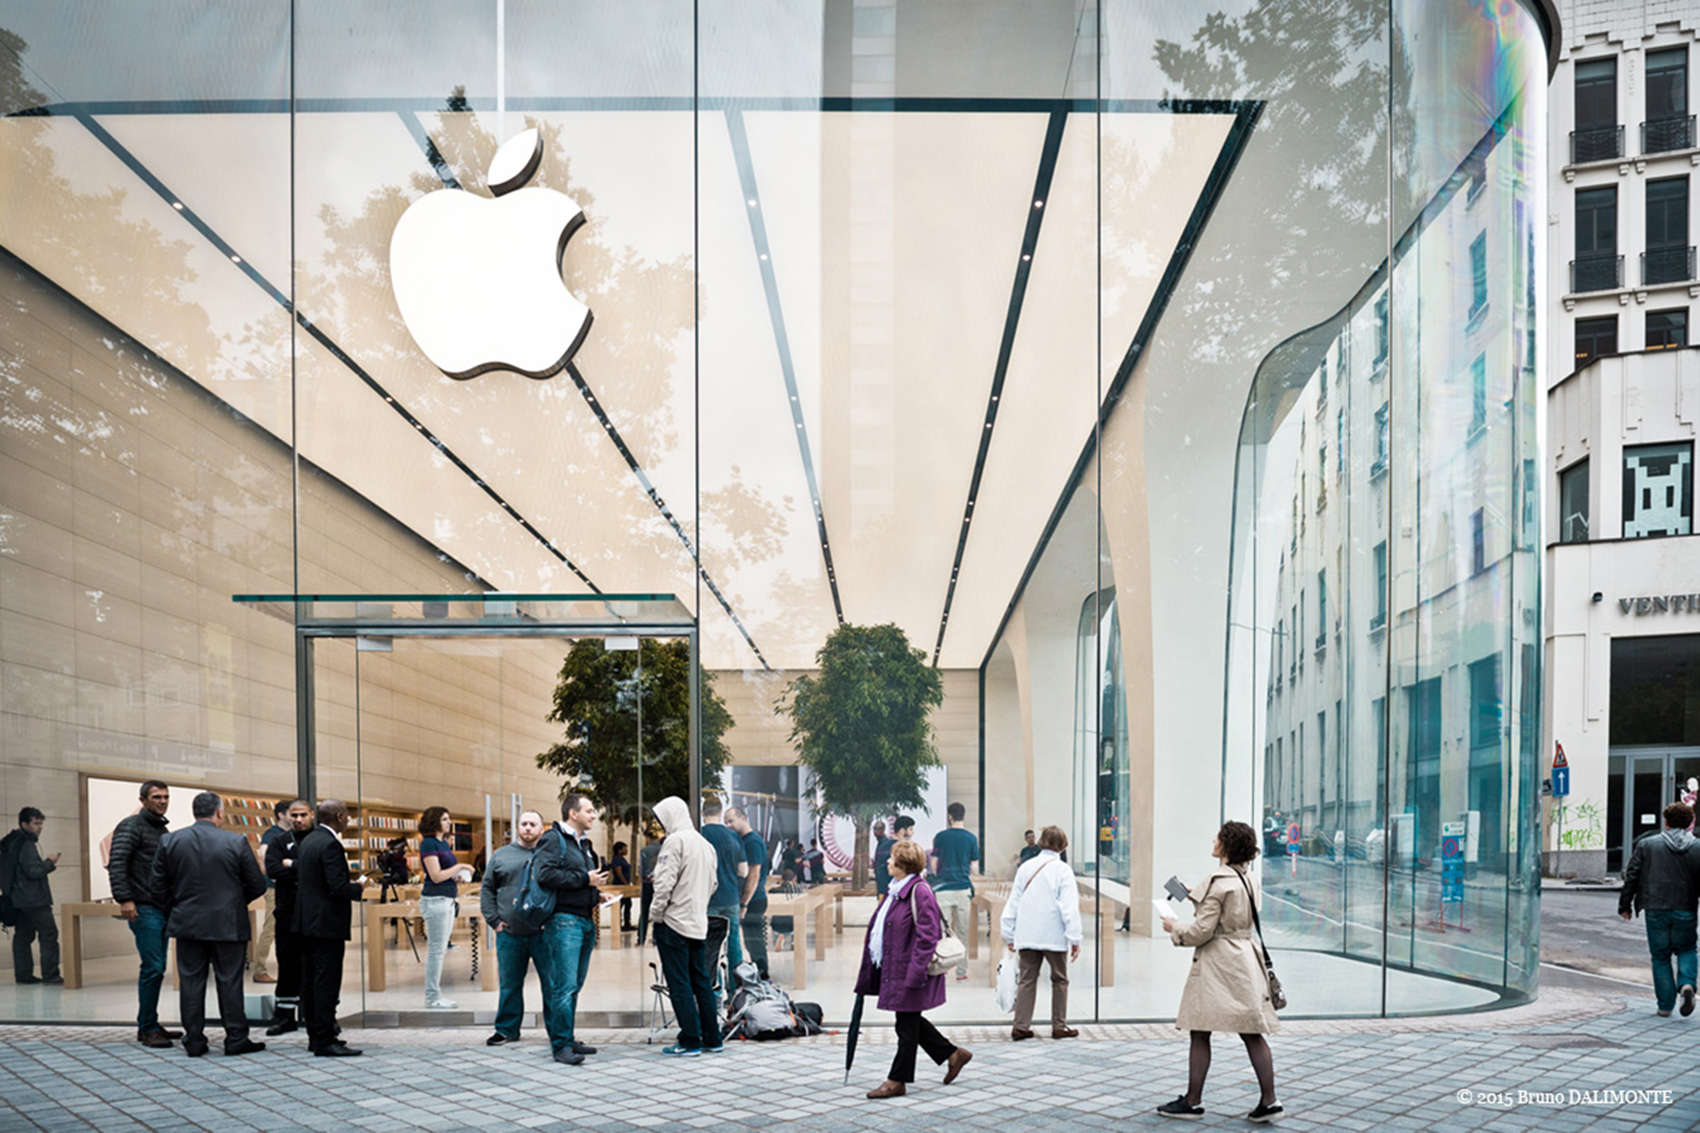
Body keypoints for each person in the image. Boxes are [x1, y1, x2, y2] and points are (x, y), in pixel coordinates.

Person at [1158, 819, 1281, 1123]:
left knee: (1200, 1029)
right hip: (1245, 959)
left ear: (1226, 845)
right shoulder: (1246, 878)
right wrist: (1194, 895)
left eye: (1218, 837)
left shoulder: (1218, 882)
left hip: (1219, 964)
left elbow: (1202, 931)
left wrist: (1175, 928)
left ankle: (1193, 1101)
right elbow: (1230, 908)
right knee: (1252, 1031)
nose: (1213, 841)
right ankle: (1270, 1100)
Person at [149, 791, 268, 1057]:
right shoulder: (235, 841)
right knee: (230, 981)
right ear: (220, 813)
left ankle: (194, 1040)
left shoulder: (170, 840)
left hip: (187, 923)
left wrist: (177, 908)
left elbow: (157, 887)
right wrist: (235, 902)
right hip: (228, 923)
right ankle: (236, 1038)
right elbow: (257, 884)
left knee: (191, 981)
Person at [856, 839, 972, 1099]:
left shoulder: (919, 891)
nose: (887, 862)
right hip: (897, 967)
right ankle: (952, 1054)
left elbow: (928, 936)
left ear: (904, 865)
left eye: (892, 859)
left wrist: (916, 972)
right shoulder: (896, 889)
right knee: (907, 1022)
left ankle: (897, 1081)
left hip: (911, 970)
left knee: (906, 1027)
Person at [533, 791, 607, 1066]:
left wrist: (596, 895)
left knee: (573, 985)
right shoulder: (553, 839)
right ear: (572, 814)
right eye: (589, 810)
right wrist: (584, 879)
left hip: (584, 920)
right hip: (564, 922)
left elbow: (578, 882)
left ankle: (567, 1037)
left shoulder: (583, 844)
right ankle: (561, 1045)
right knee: (563, 987)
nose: (593, 815)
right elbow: (545, 874)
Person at [648, 795, 722, 1056]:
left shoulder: (674, 842)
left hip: (673, 923)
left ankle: (690, 1039)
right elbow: (713, 884)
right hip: (697, 923)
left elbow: (664, 885)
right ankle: (712, 1038)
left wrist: (655, 915)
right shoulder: (705, 844)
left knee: (679, 983)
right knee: (701, 980)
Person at [108, 780, 178, 1048]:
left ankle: (150, 1022)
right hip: (144, 907)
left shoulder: (159, 828)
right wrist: (125, 899)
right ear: (143, 800)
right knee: (153, 967)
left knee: (156, 968)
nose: (162, 801)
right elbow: (117, 863)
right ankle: (147, 1027)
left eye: (165, 797)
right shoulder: (131, 826)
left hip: (159, 907)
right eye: (156, 797)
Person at [293, 799, 364, 1057]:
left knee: (312, 981)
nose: (348, 820)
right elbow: (337, 887)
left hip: (307, 922)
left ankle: (316, 1034)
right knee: (326, 981)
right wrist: (359, 888)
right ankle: (325, 1039)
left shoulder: (309, 840)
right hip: (326, 924)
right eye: (346, 816)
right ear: (339, 816)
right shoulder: (331, 844)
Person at [1618, 801, 1700, 1018]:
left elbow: (1632, 875)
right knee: (1688, 949)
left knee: (1660, 956)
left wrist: (1625, 905)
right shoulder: (1697, 847)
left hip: (1655, 907)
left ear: (1666, 822)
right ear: (1690, 822)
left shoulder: (1647, 845)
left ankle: (1665, 1005)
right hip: (1686, 907)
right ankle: (1686, 985)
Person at [481, 810, 555, 1046]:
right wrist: (494, 920)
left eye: (533, 824)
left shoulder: (550, 856)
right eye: (523, 824)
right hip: (510, 933)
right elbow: (487, 889)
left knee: (552, 985)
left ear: (541, 829)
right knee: (510, 984)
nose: (528, 828)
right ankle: (506, 1029)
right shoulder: (501, 856)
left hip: (545, 934)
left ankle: (558, 1032)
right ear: (517, 828)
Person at [1001, 825, 1080, 1040]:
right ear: (1063, 845)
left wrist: (1009, 933)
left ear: (1042, 842)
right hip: (1054, 935)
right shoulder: (1063, 870)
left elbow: (1014, 902)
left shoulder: (1026, 867)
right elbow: (1069, 907)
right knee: (1060, 980)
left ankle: (1020, 1025)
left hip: (1028, 934)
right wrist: (1075, 938)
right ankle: (1059, 1026)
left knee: (1027, 979)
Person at [263, 799, 314, 1036]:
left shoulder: (320, 840)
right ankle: (284, 1018)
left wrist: (292, 865)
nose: (298, 819)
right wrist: (303, 869)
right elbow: (273, 869)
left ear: (311, 814)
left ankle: (316, 1016)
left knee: (314, 966)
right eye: (294, 815)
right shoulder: (278, 841)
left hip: (314, 915)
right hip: (287, 913)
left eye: (303, 814)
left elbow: (326, 869)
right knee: (287, 964)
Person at [3, 807, 61, 984]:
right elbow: (33, 871)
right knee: (49, 934)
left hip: (18, 899)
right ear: (24, 824)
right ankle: (51, 976)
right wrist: (50, 862)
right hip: (34, 899)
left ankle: (23, 975)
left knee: (22, 937)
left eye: (41, 823)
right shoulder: (26, 844)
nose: (39, 827)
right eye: (36, 823)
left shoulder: (12, 841)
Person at [417, 806, 466, 1010]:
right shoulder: (428, 843)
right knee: (436, 951)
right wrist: (460, 867)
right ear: (434, 821)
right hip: (435, 901)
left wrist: (456, 876)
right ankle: (432, 996)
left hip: (446, 899)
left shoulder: (442, 843)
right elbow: (436, 875)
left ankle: (434, 994)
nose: (449, 822)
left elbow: (443, 873)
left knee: (439, 950)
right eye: (445, 819)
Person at [929, 802, 980, 981]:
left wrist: (938, 876)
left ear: (949, 816)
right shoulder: (972, 838)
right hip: (963, 889)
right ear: (963, 815)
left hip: (943, 889)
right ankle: (961, 972)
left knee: (943, 932)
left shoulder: (941, 837)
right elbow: (974, 866)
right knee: (964, 931)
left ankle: (942, 970)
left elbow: (934, 863)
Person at [701, 797, 747, 977]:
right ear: (720, 813)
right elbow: (743, 871)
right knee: (734, 943)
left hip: (708, 899)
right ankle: (737, 989)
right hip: (731, 898)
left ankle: (714, 990)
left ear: (703, 812)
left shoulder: (700, 834)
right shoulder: (733, 836)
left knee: (711, 946)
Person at [726, 806, 769, 980]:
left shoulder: (752, 842)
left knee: (755, 943)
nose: (728, 825)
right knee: (751, 943)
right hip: (749, 899)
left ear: (743, 818)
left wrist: (744, 902)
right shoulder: (742, 840)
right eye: (726, 822)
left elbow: (754, 873)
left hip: (753, 899)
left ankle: (763, 977)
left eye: (731, 821)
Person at [252, 800, 291, 984]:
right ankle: (259, 969)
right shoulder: (272, 834)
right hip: (275, 888)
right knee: (270, 928)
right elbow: (262, 854)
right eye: (291, 813)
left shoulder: (291, 834)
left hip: (289, 886)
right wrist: (271, 874)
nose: (295, 817)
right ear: (281, 815)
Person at [637, 821, 662, 945]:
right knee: (659, 910)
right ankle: (656, 938)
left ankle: (641, 938)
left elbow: (641, 869)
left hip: (647, 883)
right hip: (660, 883)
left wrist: (643, 877)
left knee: (644, 910)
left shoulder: (644, 851)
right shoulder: (663, 849)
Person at [608, 840, 634, 931]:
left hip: (625, 885)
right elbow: (619, 872)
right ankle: (618, 923)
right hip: (620, 886)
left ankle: (627, 923)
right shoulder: (616, 860)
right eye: (625, 848)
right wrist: (625, 883)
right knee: (620, 904)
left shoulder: (622, 859)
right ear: (619, 850)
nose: (627, 850)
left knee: (628, 904)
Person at [872, 821, 895, 898]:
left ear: (883, 829)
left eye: (878, 828)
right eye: (874, 828)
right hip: (880, 880)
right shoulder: (880, 843)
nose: (875, 831)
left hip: (885, 882)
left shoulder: (886, 843)